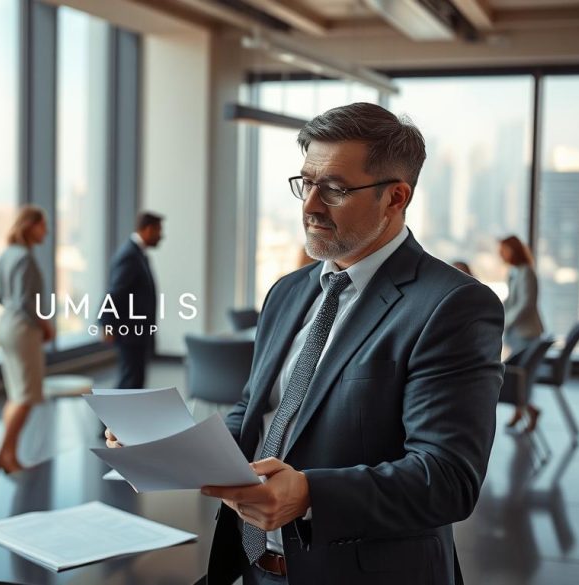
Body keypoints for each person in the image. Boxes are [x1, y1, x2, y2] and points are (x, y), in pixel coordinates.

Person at [106, 103, 503, 584]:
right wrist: (173, 449)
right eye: (306, 183)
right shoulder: (287, 292)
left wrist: (310, 494)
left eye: (334, 189)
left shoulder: (452, 305)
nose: (310, 206)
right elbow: (254, 415)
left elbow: (447, 479)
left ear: (395, 197)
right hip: (254, 567)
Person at [0, 205, 53, 475]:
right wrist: (45, 325)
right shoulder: (26, 259)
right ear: (31, 226)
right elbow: (28, 303)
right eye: (43, 226)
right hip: (23, 329)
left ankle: (7, 453)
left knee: (16, 394)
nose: (46, 232)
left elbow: (0, 296)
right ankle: (4, 454)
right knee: (25, 396)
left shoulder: (6, 255)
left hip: (5, 325)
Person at [101, 211, 163, 389]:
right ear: (148, 229)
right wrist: (107, 323)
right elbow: (115, 292)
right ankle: (110, 409)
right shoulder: (130, 255)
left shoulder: (137, 253)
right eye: (158, 231)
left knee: (133, 381)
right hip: (130, 333)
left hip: (137, 333)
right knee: (129, 382)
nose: (161, 236)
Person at [499, 234, 545, 431]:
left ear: (514, 250)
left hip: (526, 333)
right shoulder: (515, 272)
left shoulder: (526, 272)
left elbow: (526, 304)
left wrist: (507, 322)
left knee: (520, 377)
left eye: (504, 250)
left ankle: (529, 410)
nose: (501, 254)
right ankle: (520, 411)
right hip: (517, 332)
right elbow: (511, 300)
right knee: (519, 376)